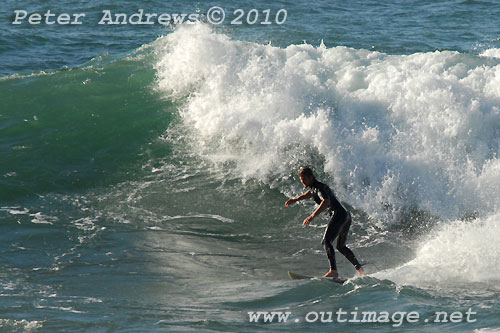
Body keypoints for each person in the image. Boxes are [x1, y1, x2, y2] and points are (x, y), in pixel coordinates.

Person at [285, 167, 365, 278]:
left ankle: (333, 271)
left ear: (311, 177)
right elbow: (310, 194)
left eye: (304, 179)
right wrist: (296, 199)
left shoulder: (320, 188)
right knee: (341, 246)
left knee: (326, 241)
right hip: (346, 215)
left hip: (339, 215)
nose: (302, 181)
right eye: (301, 179)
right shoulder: (316, 187)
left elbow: (326, 201)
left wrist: (312, 216)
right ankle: (360, 269)